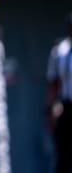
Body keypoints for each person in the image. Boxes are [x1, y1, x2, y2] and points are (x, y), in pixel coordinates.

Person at [46, 13, 72, 173]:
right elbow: (53, 84)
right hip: (67, 107)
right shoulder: (60, 51)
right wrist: (50, 110)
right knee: (64, 157)